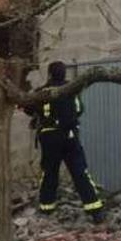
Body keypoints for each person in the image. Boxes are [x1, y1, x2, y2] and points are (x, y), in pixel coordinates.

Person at [28, 61, 104, 223]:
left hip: (49, 139)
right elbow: (79, 109)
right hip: (70, 137)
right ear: (64, 74)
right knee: (80, 172)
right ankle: (95, 210)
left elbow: (29, 109)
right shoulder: (72, 90)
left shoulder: (41, 92)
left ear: (49, 74)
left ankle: (47, 207)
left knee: (49, 172)